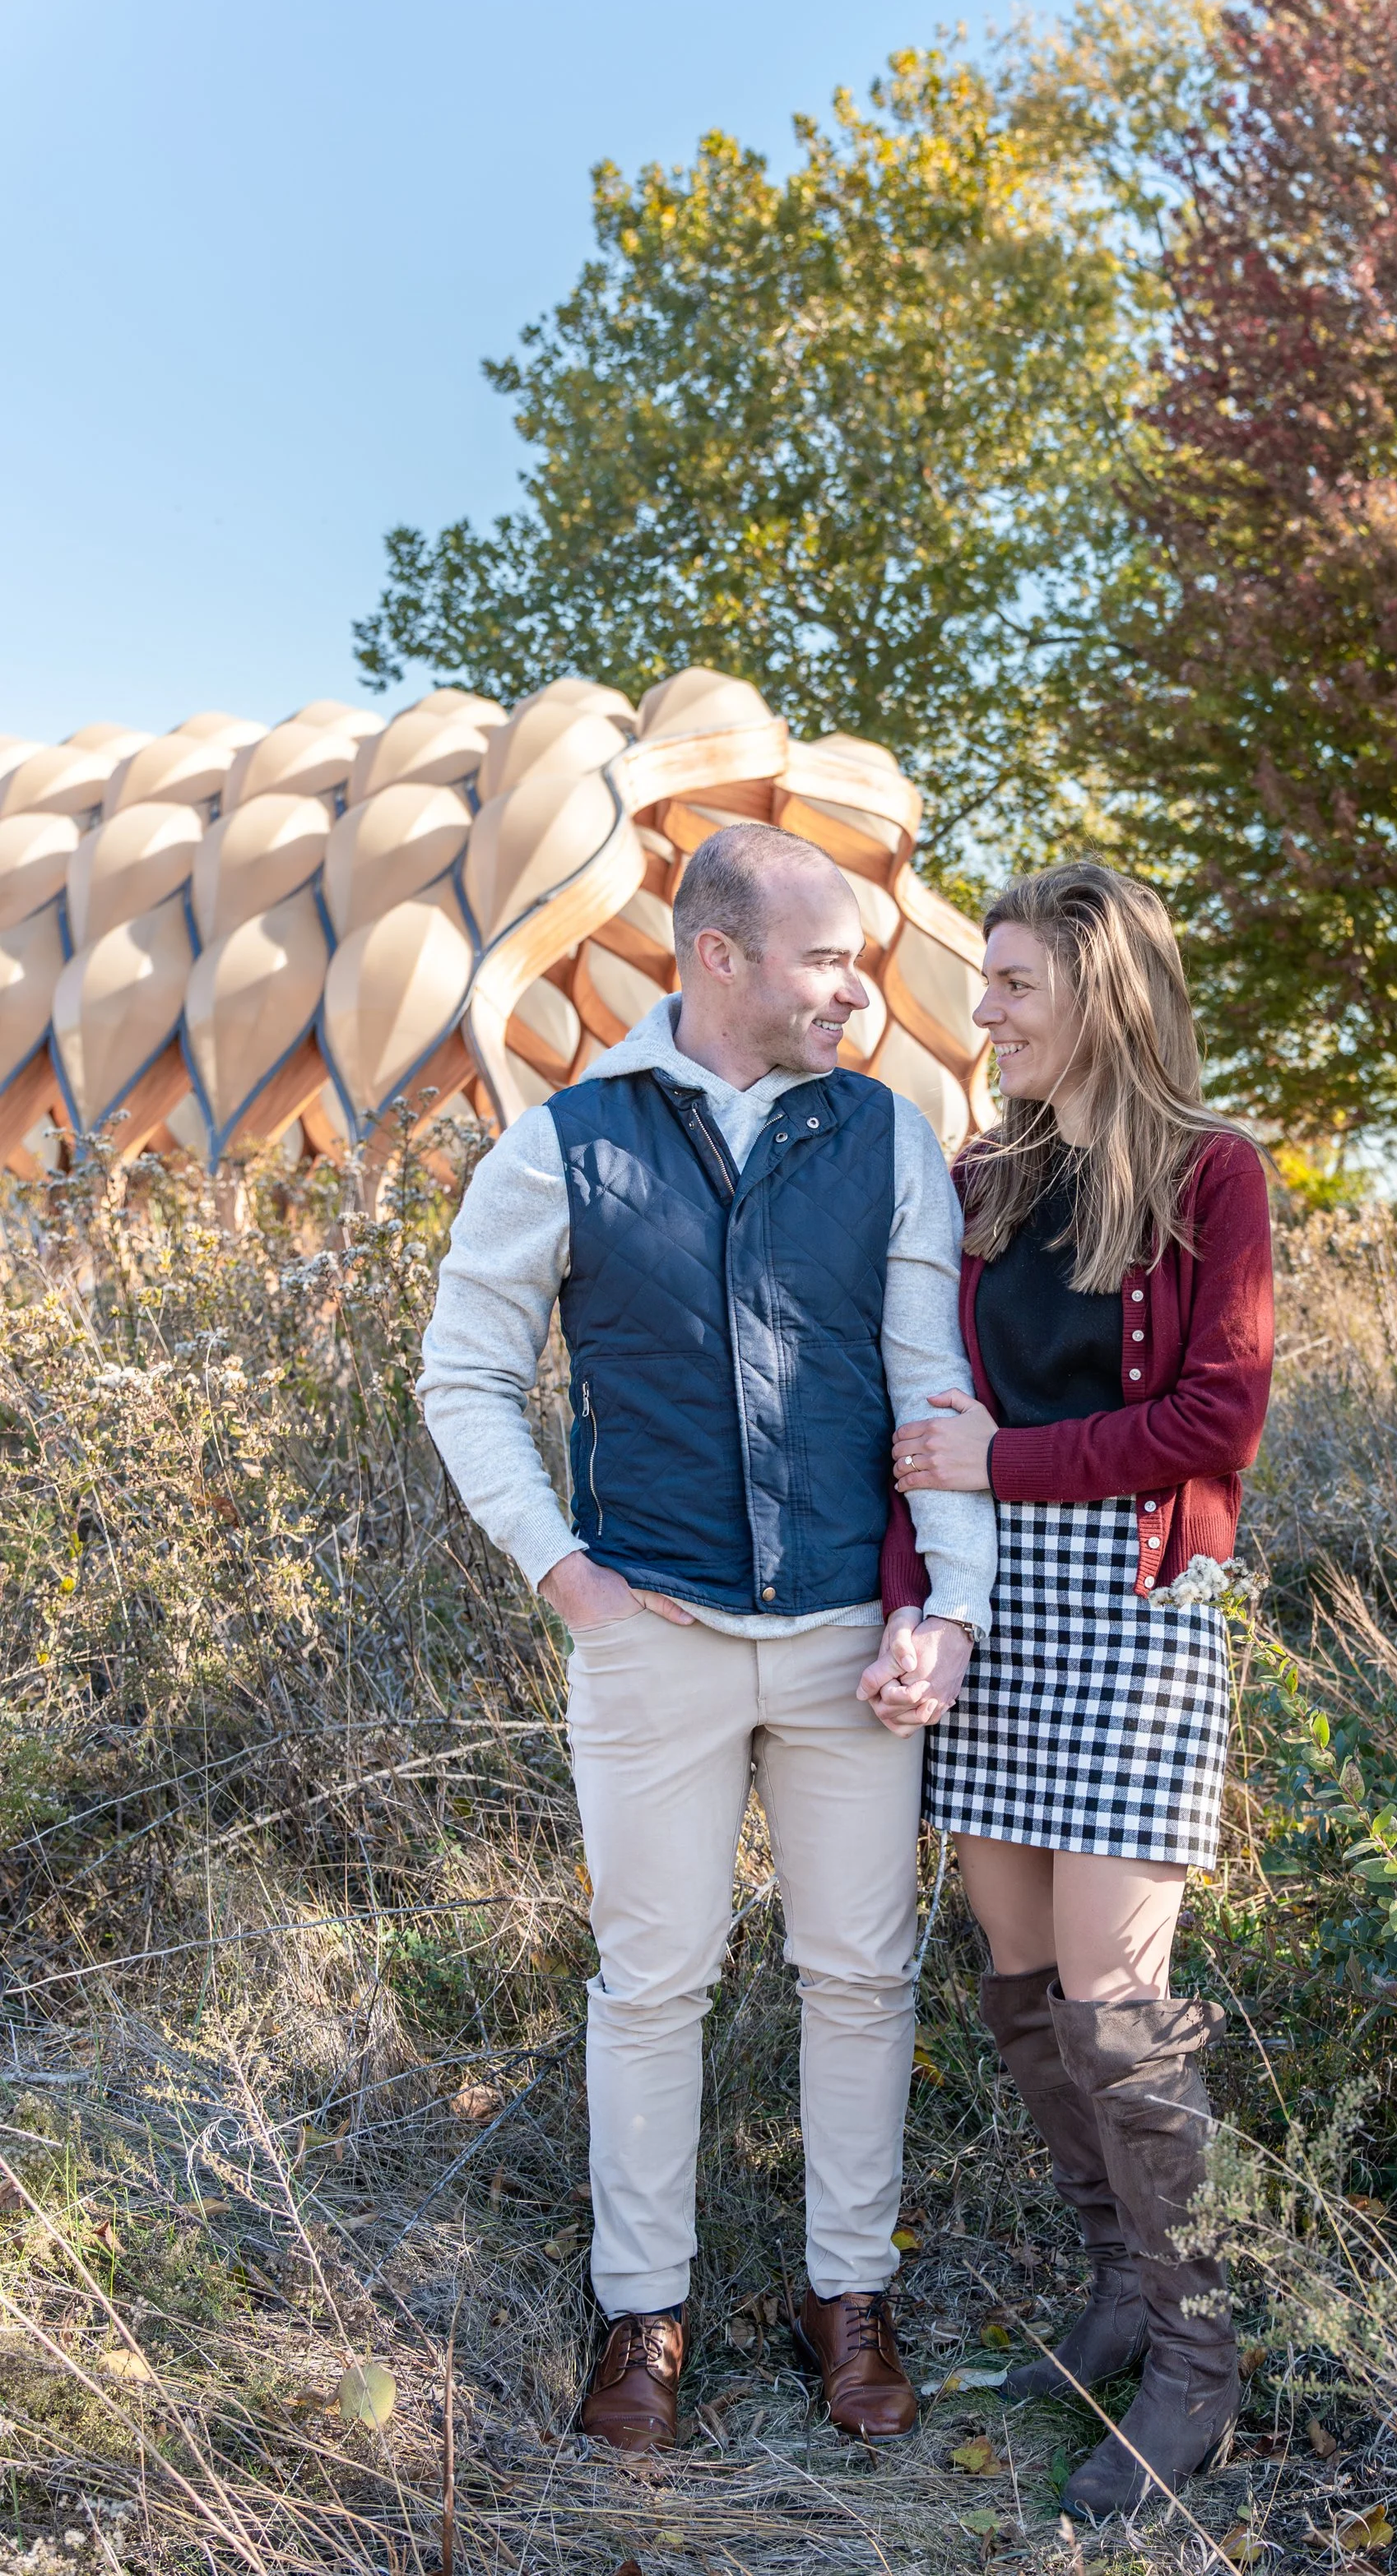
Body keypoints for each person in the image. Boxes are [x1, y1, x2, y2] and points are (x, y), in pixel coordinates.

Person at [418, 822, 995, 2453]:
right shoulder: (563, 1144)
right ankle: (642, 2315)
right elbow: (461, 1375)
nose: (858, 993)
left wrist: (944, 1607)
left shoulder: (887, 1135)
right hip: (649, 1637)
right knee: (653, 1983)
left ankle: (844, 2296)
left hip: (841, 1648)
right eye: (827, 959)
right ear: (719, 956)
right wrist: (567, 1580)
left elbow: (928, 1386)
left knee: (859, 1978)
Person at [879, 861, 1273, 2519]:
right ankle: (1113, 2277)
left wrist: (1009, 1456)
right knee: (1024, 1978)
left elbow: (1213, 1421)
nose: (983, 1008)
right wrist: (920, 1602)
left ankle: (1195, 2357)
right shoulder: (981, 1176)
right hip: (990, 1602)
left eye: (1014, 982)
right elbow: (913, 1426)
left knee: (1116, 2000)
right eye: (987, 979)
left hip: (1125, 1597)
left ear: (1100, 993)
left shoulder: (1211, 1172)